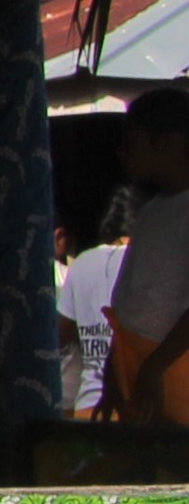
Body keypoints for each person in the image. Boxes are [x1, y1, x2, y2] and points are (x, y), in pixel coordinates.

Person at [102, 88, 189, 425]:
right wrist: (114, 374)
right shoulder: (153, 209)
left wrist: (155, 366)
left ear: (166, 144)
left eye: (132, 140)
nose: (122, 152)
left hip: (172, 368)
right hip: (142, 369)